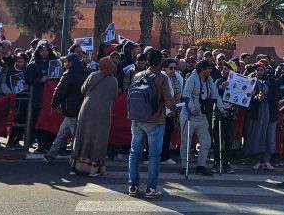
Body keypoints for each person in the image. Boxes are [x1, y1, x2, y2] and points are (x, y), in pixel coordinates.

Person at [128, 49, 175, 198]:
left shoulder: (137, 76)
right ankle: (151, 189)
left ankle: (133, 186)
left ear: (147, 61)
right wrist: (174, 107)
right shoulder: (161, 78)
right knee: (154, 156)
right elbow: (168, 101)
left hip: (137, 119)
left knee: (134, 154)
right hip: (155, 120)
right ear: (160, 62)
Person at [71, 56, 118, 176]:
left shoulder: (93, 75)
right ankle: (93, 169)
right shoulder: (114, 81)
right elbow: (115, 96)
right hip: (104, 112)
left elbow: (83, 90)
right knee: (99, 138)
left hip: (87, 109)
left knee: (82, 135)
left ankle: (76, 166)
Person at [44, 51, 88, 165]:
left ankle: (79, 159)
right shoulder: (86, 73)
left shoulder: (68, 75)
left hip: (70, 109)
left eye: (66, 62)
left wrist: (54, 104)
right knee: (62, 132)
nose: (64, 64)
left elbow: (59, 91)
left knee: (76, 137)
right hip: (81, 108)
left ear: (71, 63)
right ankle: (51, 154)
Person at [179, 61, 220, 177]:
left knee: (206, 142)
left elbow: (215, 94)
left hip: (202, 116)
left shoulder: (209, 80)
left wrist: (221, 108)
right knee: (186, 143)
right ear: (202, 70)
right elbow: (186, 94)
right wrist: (192, 109)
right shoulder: (192, 79)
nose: (210, 71)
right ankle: (184, 166)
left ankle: (201, 166)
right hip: (189, 116)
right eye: (208, 69)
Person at [245, 63, 276, 170]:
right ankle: (257, 161)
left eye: (261, 70)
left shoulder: (272, 81)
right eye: (257, 70)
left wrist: (265, 97)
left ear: (265, 70)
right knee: (257, 137)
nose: (259, 72)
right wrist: (255, 97)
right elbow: (247, 98)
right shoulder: (251, 82)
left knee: (270, 138)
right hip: (257, 114)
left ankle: (267, 161)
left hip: (270, 114)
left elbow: (277, 95)